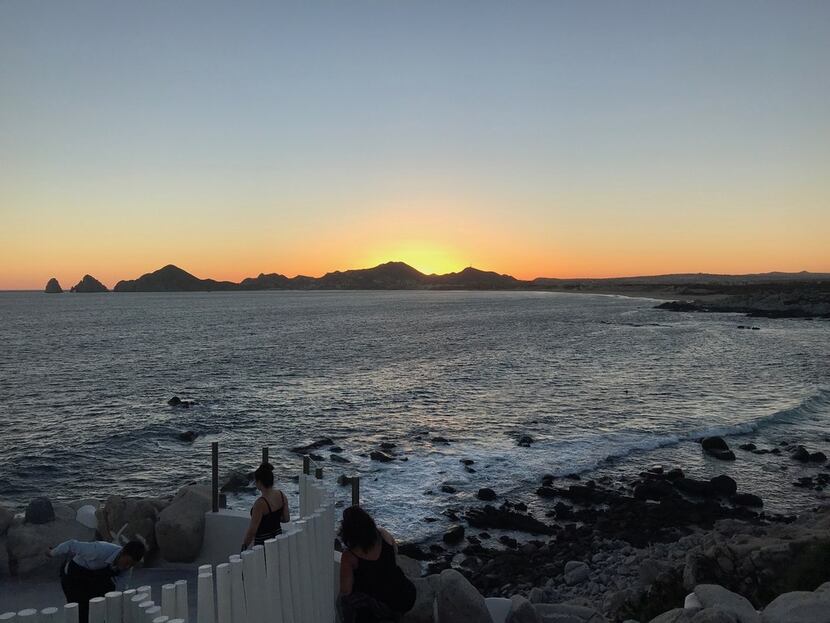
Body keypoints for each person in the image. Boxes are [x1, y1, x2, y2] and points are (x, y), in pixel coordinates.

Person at [338, 506, 416, 623]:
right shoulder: (383, 534)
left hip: (381, 605)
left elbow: (346, 590)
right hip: (405, 593)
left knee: (346, 601)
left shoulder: (349, 556)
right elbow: (395, 552)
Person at [49, 539, 146, 623]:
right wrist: (52, 552)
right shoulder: (99, 549)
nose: (127, 567)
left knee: (105, 596)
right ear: (122, 552)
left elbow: (120, 589)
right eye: (127, 562)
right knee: (80, 611)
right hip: (73, 576)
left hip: (93, 579)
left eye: (132, 565)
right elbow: (71, 544)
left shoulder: (127, 569)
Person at [241, 462, 289, 549]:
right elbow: (286, 519)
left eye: (256, 481)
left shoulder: (260, 504)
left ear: (259, 482)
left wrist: (244, 546)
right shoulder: (281, 495)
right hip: (278, 542)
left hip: (263, 546)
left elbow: (252, 531)